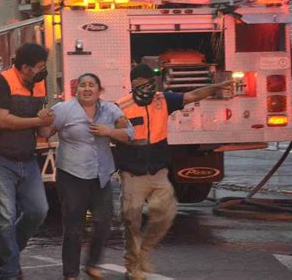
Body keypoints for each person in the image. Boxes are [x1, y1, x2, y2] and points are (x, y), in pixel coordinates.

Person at [115, 63, 233, 280]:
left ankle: (144, 251)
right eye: (141, 84)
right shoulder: (120, 107)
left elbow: (193, 95)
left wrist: (217, 86)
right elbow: (107, 135)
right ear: (132, 85)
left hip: (159, 172)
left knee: (165, 215)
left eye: (150, 84)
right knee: (132, 220)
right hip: (132, 174)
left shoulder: (163, 100)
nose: (147, 89)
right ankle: (133, 267)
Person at [0, 43, 53, 280]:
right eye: (40, 67)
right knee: (4, 216)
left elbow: (44, 132)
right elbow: (2, 121)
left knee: (38, 210)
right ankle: (9, 272)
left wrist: (47, 121)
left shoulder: (38, 84)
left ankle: (7, 250)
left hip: (26, 157)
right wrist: (36, 121)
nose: (43, 71)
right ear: (26, 67)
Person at [49, 73, 134, 280]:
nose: (87, 89)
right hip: (71, 175)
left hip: (101, 175)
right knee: (73, 227)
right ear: (76, 90)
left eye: (91, 85)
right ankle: (71, 274)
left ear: (99, 90)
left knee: (104, 223)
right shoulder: (63, 110)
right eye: (82, 85)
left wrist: (109, 131)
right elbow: (45, 131)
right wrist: (43, 120)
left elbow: (129, 134)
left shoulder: (111, 109)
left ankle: (92, 264)